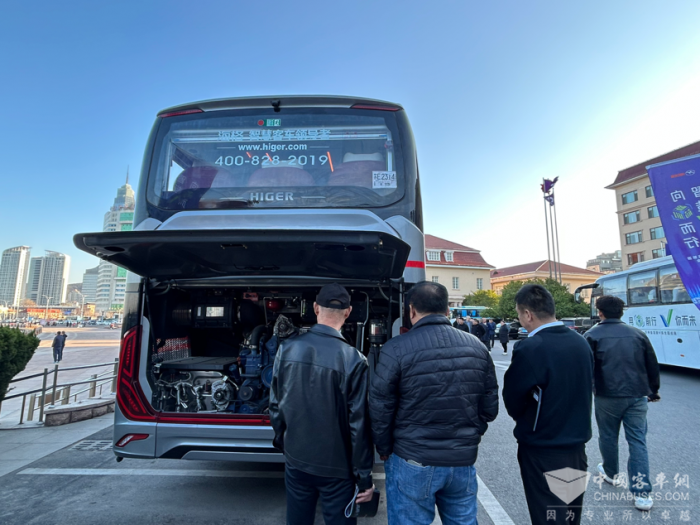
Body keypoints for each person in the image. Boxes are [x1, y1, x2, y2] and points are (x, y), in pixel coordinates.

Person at [370, 281, 499, 525]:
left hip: (412, 457)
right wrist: (470, 436)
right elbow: (489, 407)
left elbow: (380, 406)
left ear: (411, 310)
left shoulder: (396, 348)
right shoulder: (476, 347)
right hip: (461, 460)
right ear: (447, 310)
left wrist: (384, 448)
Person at [269, 283, 374, 525]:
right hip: (337, 467)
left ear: (316, 308)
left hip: (297, 459)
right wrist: (364, 477)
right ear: (348, 312)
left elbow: (275, 405)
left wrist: (285, 443)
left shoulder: (287, 349)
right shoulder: (355, 359)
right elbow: (358, 424)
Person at [502, 284, 593, 525]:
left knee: (548, 516)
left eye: (519, 314)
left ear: (527, 314)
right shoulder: (580, 342)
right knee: (569, 514)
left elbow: (513, 397)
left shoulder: (531, 347)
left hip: (543, 447)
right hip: (576, 446)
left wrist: (525, 419)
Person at [584, 295, 660, 512]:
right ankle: (642, 494)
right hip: (637, 394)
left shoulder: (591, 335)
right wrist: (653, 390)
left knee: (608, 435)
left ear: (600, 312)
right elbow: (651, 364)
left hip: (607, 395)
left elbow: (586, 368)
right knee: (638, 441)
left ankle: (611, 473)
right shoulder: (638, 334)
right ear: (621, 311)